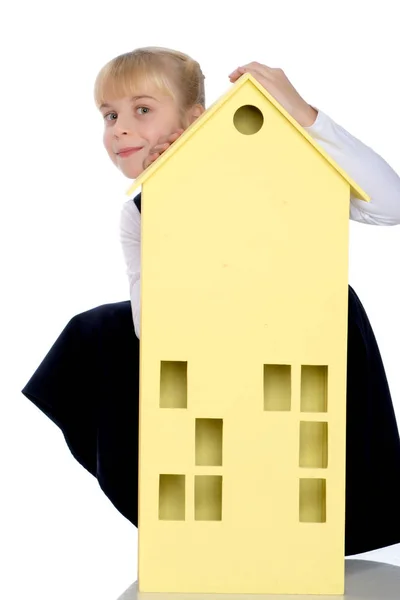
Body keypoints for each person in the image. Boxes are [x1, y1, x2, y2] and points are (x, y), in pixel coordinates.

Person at [21, 47, 400, 557]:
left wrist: (304, 114)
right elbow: (153, 326)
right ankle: (183, 508)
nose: (120, 130)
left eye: (142, 110)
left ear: (194, 119)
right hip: (210, 342)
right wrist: (169, 206)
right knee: (95, 331)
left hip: (301, 328)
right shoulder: (139, 211)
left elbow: (391, 205)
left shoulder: (269, 164)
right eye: (110, 116)